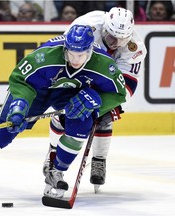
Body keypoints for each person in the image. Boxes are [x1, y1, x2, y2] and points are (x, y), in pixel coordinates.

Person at [0, 25, 126, 199]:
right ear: (65, 49)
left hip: (69, 94)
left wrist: (96, 100)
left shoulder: (103, 64)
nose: (75, 60)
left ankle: (56, 171)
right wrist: (20, 104)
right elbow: (19, 79)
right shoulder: (45, 56)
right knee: (4, 129)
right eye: (71, 54)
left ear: (90, 51)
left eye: (81, 55)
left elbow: (119, 93)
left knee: (82, 121)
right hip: (35, 91)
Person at [43, 7, 147, 191]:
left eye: (121, 39)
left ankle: (99, 160)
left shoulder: (135, 48)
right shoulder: (86, 25)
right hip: (78, 74)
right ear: (104, 28)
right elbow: (67, 58)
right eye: (111, 37)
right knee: (63, 115)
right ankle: (52, 153)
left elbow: (126, 85)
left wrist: (107, 104)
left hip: (106, 81)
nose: (115, 43)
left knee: (104, 118)